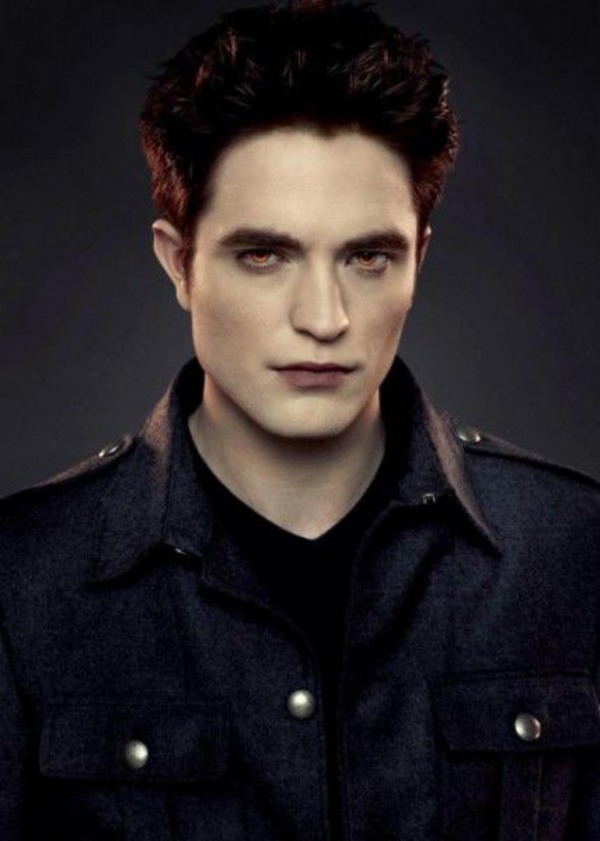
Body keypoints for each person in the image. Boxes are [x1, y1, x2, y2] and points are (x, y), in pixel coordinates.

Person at [1, 1, 599, 838]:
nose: (324, 317)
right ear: (179, 265)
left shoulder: (575, 552)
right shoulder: (21, 583)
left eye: (368, 256)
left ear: (418, 260)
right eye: (264, 255)